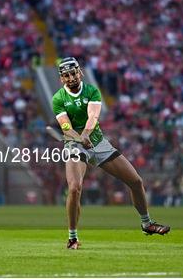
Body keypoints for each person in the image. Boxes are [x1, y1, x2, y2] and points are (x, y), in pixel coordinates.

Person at [52, 57, 170, 250]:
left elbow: (93, 116)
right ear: (62, 79)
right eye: (66, 75)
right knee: (74, 188)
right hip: (75, 145)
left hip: (98, 142)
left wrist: (86, 134)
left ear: (80, 72)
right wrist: (79, 138)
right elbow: (66, 127)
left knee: (136, 182)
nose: (71, 78)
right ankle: (72, 237)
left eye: (74, 73)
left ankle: (147, 223)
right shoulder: (58, 98)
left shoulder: (91, 91)